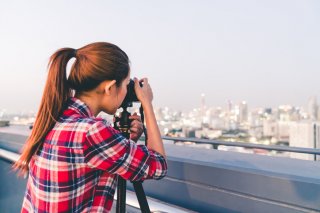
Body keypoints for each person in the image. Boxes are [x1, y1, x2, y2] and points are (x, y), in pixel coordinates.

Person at [14, 42, 167, 213]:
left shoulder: (54, 118)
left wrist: (128, 142)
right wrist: (147, 103)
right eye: (125, 85)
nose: (126, 91)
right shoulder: (91, 132)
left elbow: (88, 159)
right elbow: (158, 166)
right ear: (109, 88)